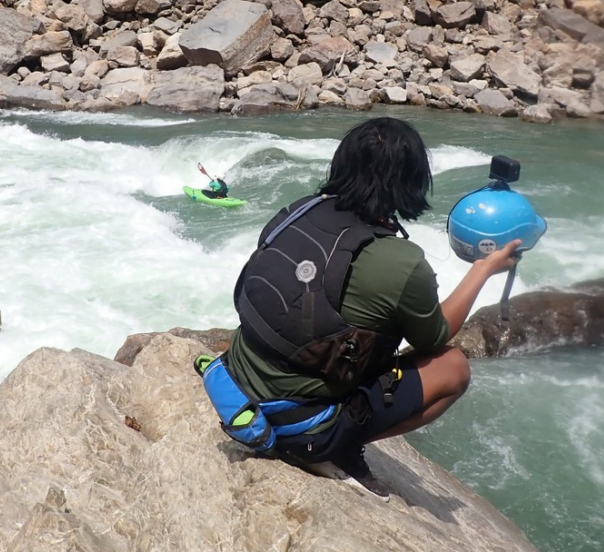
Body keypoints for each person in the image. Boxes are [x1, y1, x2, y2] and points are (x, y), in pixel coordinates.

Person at [221, 116, 521, 501]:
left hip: (239, 379)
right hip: (297, 422)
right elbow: (434, 338)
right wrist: (483, 270)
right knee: (454, 368)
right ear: (411, 181)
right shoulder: (399, 260)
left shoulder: (297, 211)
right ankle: (334, 444)